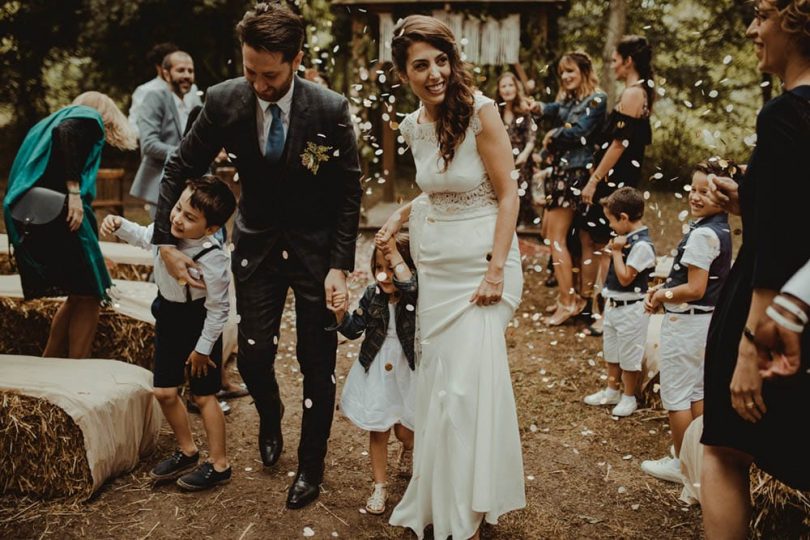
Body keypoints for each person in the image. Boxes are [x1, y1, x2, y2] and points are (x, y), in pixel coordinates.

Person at [151, 3, 362, 510]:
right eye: (250, 71)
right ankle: (270, 414)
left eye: (270, 74)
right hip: (257, 246)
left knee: (318, 362)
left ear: (296, 60)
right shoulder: (224, 100)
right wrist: (164, 241)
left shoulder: (330, 110)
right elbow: (181, 165)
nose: (259, 84)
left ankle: (311, 465)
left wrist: (339, 263)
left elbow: (349, 190)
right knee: (252, 355)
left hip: (314, 252)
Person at [379, 15, 525, 540]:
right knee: (439, 387)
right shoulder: (413, 125)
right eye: (421, 64)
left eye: (442, 59)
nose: (435, 72)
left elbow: (507, 192)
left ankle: (471, 503)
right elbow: (440, 186)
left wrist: (495, 271)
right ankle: (441, 495)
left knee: (465, 387)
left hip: (482, 267)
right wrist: (400, 214)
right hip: (436, 271)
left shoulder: (482, 113)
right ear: (403, 73)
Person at [699, 1, 810, 536]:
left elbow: (779, 243)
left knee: (723, 450)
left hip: (773, 310)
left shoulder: (787, 113)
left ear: (796, 23)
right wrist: (752, 199)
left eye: (762, 15)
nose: (750, 29)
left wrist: (749, 344)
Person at [101, 175, 236, 490]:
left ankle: (219, 464)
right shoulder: (164, 232)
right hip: (169, 317)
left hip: (199, 324)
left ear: (211, 229)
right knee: (163, 391)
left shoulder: (213, 258)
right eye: (177, 209)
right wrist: (117, 223)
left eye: (190, 218)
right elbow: (142, 235)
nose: (177, 219)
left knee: (203, 396)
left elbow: (219, 309)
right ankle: (187, 450)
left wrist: (203, 349)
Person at [3, 92, 137, 359]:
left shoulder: (51, 121)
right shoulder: (88, 118)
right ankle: (79, 364)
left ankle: (51, 358)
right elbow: (66, 134)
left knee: (78, 293)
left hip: (36, 211)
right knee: (90, 293)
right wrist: (74, 193)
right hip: (60, 211)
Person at [641, 159, 736, 483]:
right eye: (693, 189)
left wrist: (660, 296)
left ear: (724, 195)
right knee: (697, 393)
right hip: (706, 324)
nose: (695, 197)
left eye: (705, 192)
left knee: (677, 397)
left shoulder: (702, 235)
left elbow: (694, 289)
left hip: (687, 325)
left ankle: (683, 466)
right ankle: (700, 463)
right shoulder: (720, 229)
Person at [332, 234, 417, 516]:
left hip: (407, 369)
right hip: (377, 369)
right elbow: (354, 329)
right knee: (378, 428)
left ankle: (408, 449)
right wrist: (340, 313)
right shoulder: (372, 295)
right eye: (379, 266)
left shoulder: (416, 296)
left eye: (393, 267)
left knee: (406, 429)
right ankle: (380, 485)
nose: (385, 274)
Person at [580, 36, 654, 336]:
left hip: (615, 180)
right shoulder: (634, 91)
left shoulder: (635, 93)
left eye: (614, 60)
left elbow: (620, 144)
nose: (612, 65)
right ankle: (596, 305)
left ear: (629, 61)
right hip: (614, 177)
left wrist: (594, 180)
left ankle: (604, 306)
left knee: (608, 244)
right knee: (598, 240)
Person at [530, 52, 607, 326]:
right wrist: (538, 107)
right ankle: (570, 295)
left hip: (577, 173)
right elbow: (553, 109)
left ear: (585, 72)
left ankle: (569, 300)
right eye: (562, 72)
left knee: (556, 238)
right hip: (562, 172)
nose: (565, 77)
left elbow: (579, 131)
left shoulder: (596, 100)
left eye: (571, 71)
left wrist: (553, 136)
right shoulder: (569, 100)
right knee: (556, 236)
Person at [583, 187, 655, 417]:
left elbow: (625, 279)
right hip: (615, 306)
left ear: (623, 218)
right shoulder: (623, 240)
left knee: (629, 356)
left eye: (611, 221)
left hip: (632, 309)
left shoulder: (642, 246)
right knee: (612, 351)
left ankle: (628, 396)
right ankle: (612, 390)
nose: (610, 226)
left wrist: (614, 253)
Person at [130, 51, 196, 216]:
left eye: (191, 71)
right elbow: (149, 145)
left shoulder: (193, 100)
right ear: (166, 73)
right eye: (181, 70)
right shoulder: (154, 98)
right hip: (161, 184)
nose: (187, 75)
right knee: (163, 240)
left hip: (189, 185)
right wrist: (186, 154)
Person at [129, 42, 202, 133]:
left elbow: (200, 118)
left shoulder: (191, 88)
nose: (186, 75)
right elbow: (134, 125)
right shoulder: (145, 90)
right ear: (159, 67)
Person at [496, 71, 536, 227]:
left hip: (522, 160)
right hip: (500, 160)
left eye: (510, 85)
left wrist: (525, 154)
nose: (507, 89)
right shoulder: (494, 111)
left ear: (516, 88)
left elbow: (531, 136)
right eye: (503, 86)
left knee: (521, 193)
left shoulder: (525, 110)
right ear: (499, 90)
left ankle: (521, 227)